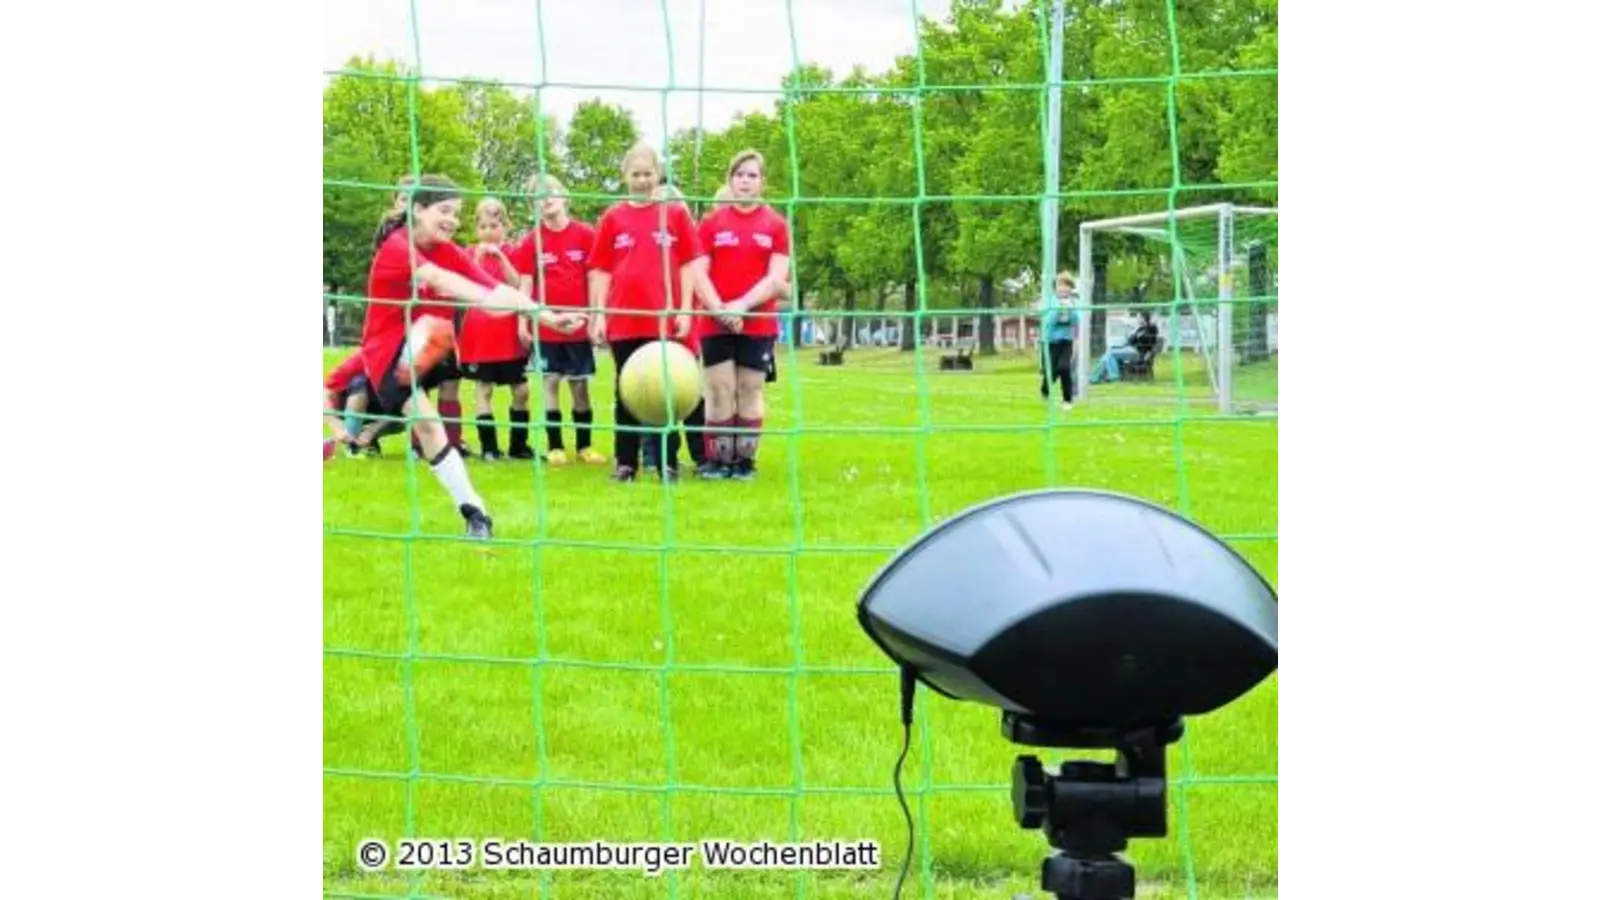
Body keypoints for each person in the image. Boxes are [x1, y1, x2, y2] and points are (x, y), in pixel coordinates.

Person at [361, 174, 581, 537]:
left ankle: (475, 514)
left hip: (426, 343)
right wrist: (486, 298)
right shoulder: (398, 247)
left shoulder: (446, 249)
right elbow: (449, 283)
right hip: (386, 353)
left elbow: (495, 288)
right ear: (418, 209)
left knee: (430, 421)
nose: (452, 220)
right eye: (444, 211)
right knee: (427, 415)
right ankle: (363, 430)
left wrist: (547, 315)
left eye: (457, 213)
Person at [588, 143, 725, 483]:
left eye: (648, 173)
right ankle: (626, 464)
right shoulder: (612, 218)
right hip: (624, 320)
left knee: (668, 391)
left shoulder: (675, 215)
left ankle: (667, 462)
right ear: (625, 177)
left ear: (658, 175)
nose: (642, 180)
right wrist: (599, 314)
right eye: (636, 174)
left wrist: (682, 311)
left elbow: (689, 266)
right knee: (626, 393)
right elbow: (600, 270)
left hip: (665, 320)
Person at [693, 149, 791, 480]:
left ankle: (744, 462)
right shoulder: (710, 224)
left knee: (750, 389)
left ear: (763, 182)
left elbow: (777, 278)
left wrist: (742, 306)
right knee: (719, 390)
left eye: (752, 175)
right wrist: (720, 309)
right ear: (730, 180)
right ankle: (719, 460)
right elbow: (698, 273)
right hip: (714, 321)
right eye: (739, 174)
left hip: (757, 322)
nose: (745, 181)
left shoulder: (776, 225)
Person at [509, 174, 606, 466]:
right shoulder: (532, 241)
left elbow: (594, 279)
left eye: (550, 192)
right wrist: (522, 322)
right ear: (533, 206)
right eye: (538, 196)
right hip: (547, 329)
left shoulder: (586, 235)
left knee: (580, 387)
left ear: (565, 197)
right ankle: (555, 446)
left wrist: (594, 317)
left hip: (577, 326)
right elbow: (524, 285)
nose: (546, 198)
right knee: (550, 383)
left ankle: (585, 446)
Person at [456, 197, 531, 461]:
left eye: (495, 225)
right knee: (483, 389)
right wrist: (476, 258)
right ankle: (489, 448)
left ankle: (519, 446)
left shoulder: (513, 252)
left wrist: (501, 257)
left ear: (505, 227)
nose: (489, 231)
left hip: (508, 331)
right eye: (484, 226)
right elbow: (464, 285)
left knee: (521, 390)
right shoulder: (468, 253)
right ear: (477, 229)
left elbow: (517, 283)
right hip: (479, 332)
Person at [1039, 271, 1079, 410]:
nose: (1064, 288)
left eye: (1067, 285)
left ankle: (1067, 400)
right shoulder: (1050, 301)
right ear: (1056, 287)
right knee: (1050, 371)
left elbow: (1076, 321)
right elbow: (1048, 321)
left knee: (1064, 368)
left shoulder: (1074, 302)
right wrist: (1059, 309)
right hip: (1050, 341)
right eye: (1061, 285)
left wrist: (1070, 310)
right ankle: (1045, 390)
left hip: (1066, 341)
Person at [1090, 311, 1161, 384]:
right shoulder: (1140, 329)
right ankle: (1094, 378)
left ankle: (1113, 378)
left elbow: (1144, 341)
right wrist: (1136, 336)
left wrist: (1137, 336)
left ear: (1143, 318)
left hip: (1137, 352)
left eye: (1138, 317)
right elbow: (1130, 340)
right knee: (1108, 355)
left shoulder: (1150, 328)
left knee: (1110, 353)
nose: (1137, 319)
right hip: (1131, 349)